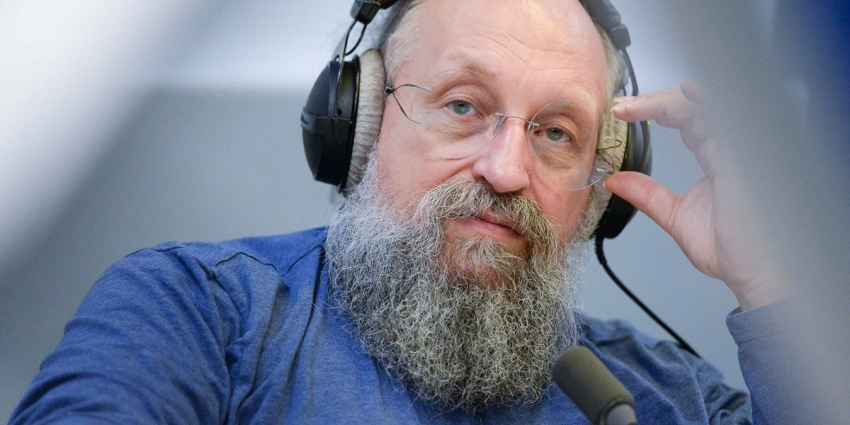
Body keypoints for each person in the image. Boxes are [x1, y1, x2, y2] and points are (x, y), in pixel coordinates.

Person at [11, 0, 793, 423]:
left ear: (601, 185)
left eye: (556, 133)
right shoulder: (198, 315)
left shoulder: (660, 398)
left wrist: (775, 283)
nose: (506, 169)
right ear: (358, 124)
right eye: (462, 105)